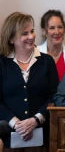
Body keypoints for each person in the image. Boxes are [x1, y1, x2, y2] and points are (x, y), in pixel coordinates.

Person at [0, 12, 59, 150]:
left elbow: (55, 96)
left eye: (32, 31)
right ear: (11, 39)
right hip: (8, 139)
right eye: (24, 33)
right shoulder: (2, 63)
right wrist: (16, 124)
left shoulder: (47, 61)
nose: (31, 36)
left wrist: (36, 120)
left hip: (43, 138)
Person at [37, 10, 65, 81]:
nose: (57, 32)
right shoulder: (34, 54)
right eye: (52, 28)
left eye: (60, 27)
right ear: (44, 31)